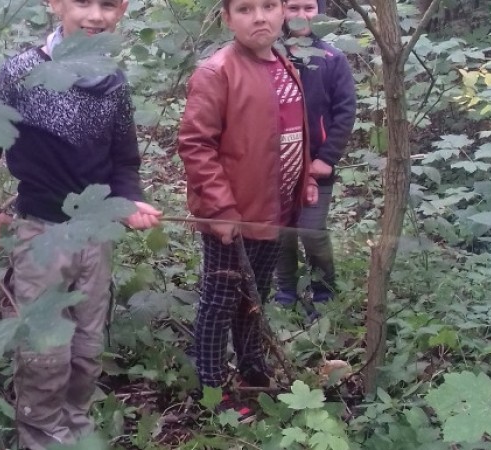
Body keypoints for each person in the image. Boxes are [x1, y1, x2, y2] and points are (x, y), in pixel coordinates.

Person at [0, 0, 161, 447]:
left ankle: (76, 427)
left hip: (95, 234)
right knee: (45, 351)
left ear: (122, 10)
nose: (95, 15)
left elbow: (124, 160)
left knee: (87, 346)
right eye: (82, 2)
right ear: (56, 4)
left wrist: (130, 200)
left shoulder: (113, 81)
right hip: (40, 234)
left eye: (107, 4)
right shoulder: (21, 72)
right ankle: (41, 435)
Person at [177, 0, 318, 420]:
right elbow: (196, 144)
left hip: (275, 210)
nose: (259, 17)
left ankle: (253, 370)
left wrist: (306, 180)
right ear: (227, 18)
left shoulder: (285, 65)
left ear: (282, 12)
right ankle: (210, 387)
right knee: (220, 300)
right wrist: (221, 207)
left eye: (268, 6)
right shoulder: (217, 72)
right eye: (245, 8)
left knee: (255, 295)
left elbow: (290, 132)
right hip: (234, 215)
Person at [274, 0, 356, 308]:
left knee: (311, 230)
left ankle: (323, 293)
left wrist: (327, 158)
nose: (300, 16)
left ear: (320, 11)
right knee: (280, 231)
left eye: (308, 8)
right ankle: (286, 292)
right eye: (293, 8)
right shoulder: (272, 56)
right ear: (282, 11)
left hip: (316, 165)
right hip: (278, 164)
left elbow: (345, 112)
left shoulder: (333, 59)